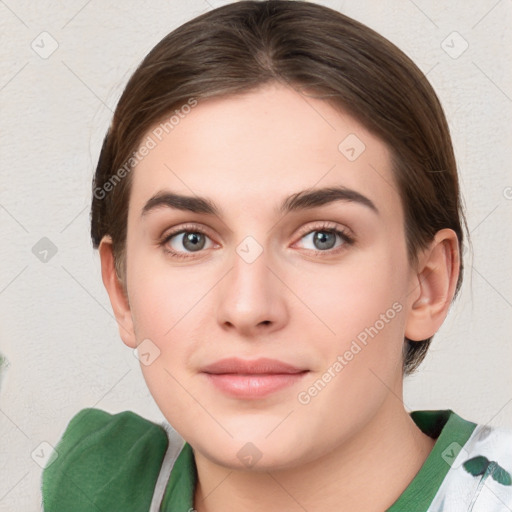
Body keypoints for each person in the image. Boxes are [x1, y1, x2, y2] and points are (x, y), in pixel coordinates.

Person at [41, 1, 512, 510]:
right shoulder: (98, 485)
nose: (248, 307)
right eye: (190, 239)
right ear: (122, 291)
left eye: (323, 238)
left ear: (427, 283)